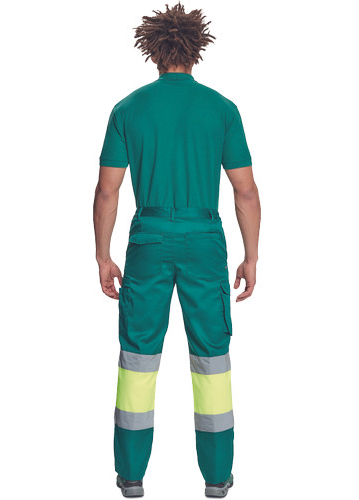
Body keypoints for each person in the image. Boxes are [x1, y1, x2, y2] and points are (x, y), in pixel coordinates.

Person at [93, 2, 260, 497]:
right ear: (196, 49)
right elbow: (245, 191)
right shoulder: (222, 109)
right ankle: (217, 477)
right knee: (211, 355)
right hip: (204, 239)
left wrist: (103, 255)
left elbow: (107, 191)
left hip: (146, 238)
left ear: (153, 51)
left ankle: (130, 475)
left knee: (138, 355)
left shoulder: (128, 110)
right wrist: (251, 255)